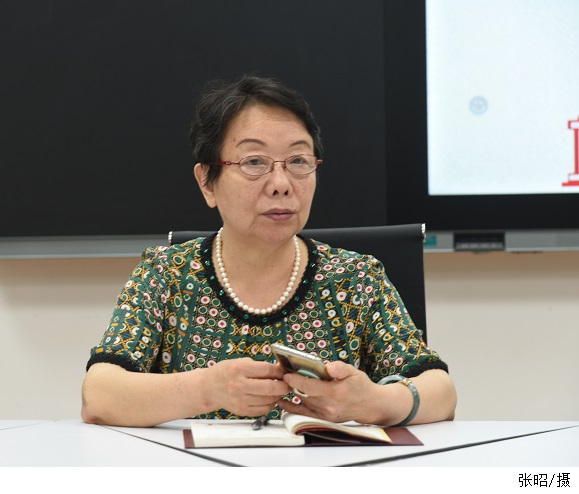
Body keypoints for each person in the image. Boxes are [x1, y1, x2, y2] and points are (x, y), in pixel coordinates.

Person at [81, 75, 456, 427]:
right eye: (254, 162)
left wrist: (374, 402)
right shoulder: (166, 273)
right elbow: (98, 396)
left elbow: (441, 394)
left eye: (298, 161)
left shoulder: (356, 278)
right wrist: (207, 389)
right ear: (207, 182)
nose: (281, 183)